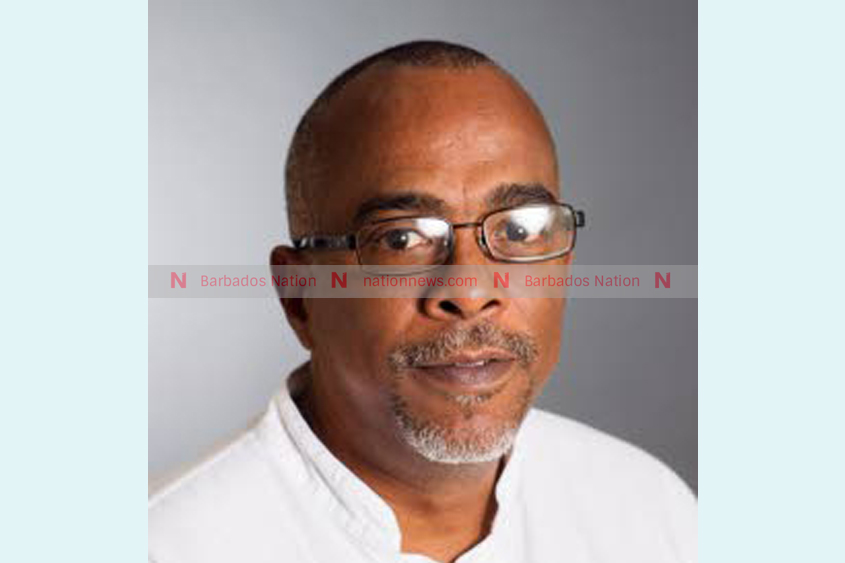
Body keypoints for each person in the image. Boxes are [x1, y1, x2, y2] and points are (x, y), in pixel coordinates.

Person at [149, 40, 696, 563]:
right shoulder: (167, 546)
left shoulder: (649, 511)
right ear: (299, 296)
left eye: (519, 231)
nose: (471, 292)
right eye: (401, 238)